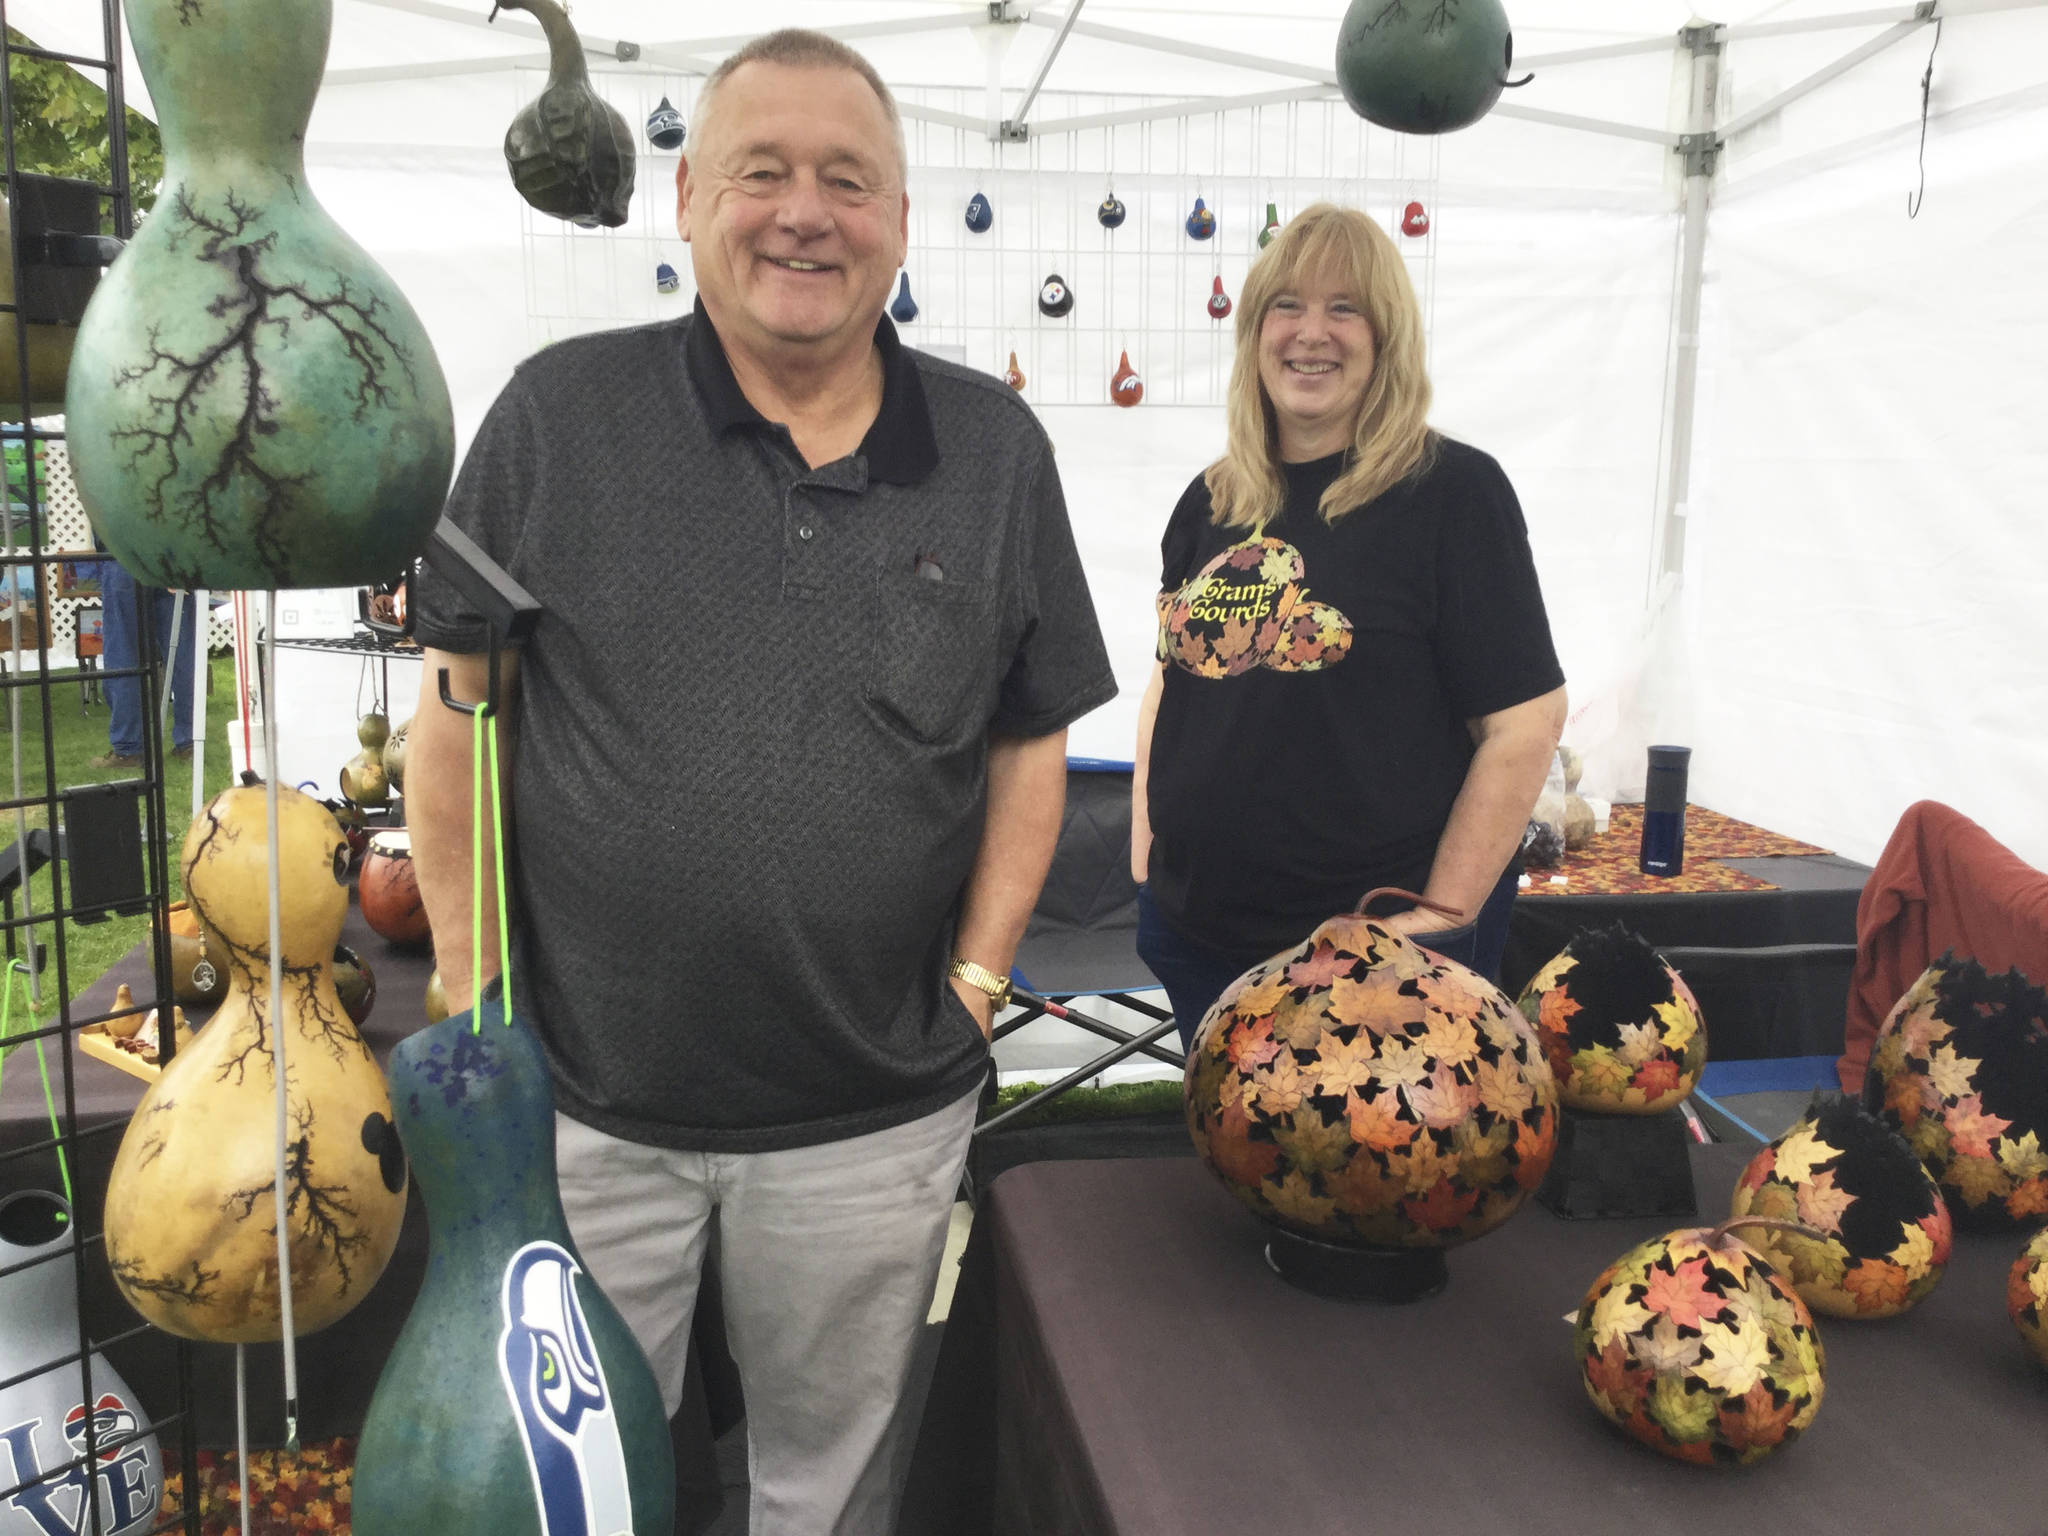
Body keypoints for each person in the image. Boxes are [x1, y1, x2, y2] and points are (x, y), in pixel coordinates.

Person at [405, 28, 1115, 1536]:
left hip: (872, 1114)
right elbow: (463, 708)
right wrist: (470, 981)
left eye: (848, 181)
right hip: (586, 1107)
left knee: (829, 1492)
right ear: (687, 200)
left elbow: (1028, 736)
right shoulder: (555, 417)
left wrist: (979, 983)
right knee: (574, 1498)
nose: (805, 213)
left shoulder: (993, 451)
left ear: (901, 222)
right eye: (762, 172)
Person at [1132, 202, 1567, 1052]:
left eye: (1345, 308)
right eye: (1286, 305)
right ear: (1254, 332)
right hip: (1199, 933)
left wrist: (1441, 917)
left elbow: (1524, 722)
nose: (1311, 333)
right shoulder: (1213, 499)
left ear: (1386, 338)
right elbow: (1169, 685)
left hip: (1376, 961)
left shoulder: (1453, 495)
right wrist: (1148, 857)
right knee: (1221, 1139)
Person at [91, 561, 194, 769]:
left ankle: (128, 750)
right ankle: (190, 743)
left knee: (123, 654)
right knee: (183, 655)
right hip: (174, 558)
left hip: (124, 558)